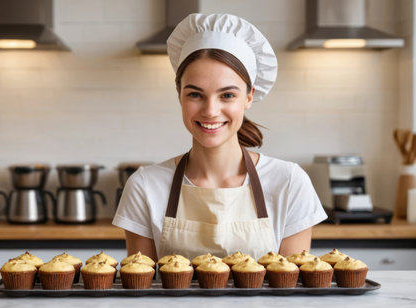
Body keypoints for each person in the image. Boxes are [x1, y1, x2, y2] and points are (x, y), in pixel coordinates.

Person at [113, 13, 327, 261]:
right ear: (179, 94)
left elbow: (290, 289)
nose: (210, 111)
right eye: (195, 94)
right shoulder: (145, 187)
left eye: (227, 95)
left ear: (249, 97)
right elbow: (141, 286)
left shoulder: (289, 183)